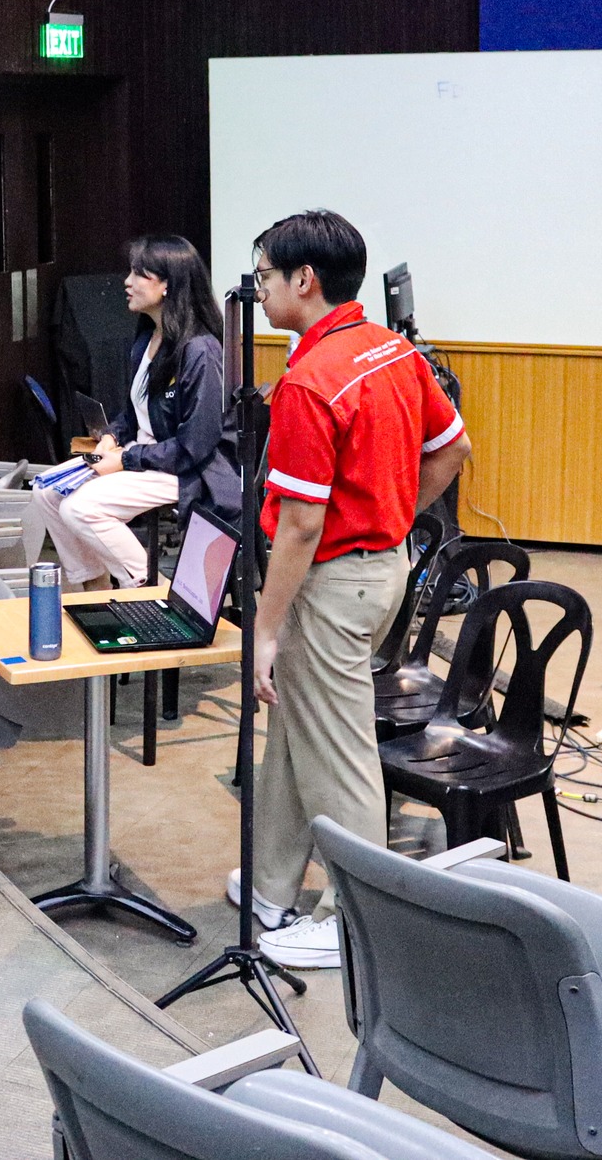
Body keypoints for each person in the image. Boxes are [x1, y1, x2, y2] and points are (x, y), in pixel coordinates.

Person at [241, 212, 469, 972]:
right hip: (381, 571)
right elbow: (454, 448)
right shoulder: (393, 352)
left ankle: (356, 922)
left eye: (267, 274)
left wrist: (264, 631)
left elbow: (302, 525)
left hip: (332, 584)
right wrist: (392, 519)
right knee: (298, 731)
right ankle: (272, 886)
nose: (261, 288)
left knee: (339, 758)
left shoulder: (309, 381)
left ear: (304, 281)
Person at [36, 236, 239, 589]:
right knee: (47, 493)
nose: (127, 282)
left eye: (138, 274)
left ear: (166, 286)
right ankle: (94, 587)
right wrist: (112, 436)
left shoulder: (200, 352)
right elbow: (133, 413)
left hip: (186, 469)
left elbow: (195, 446)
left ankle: (149, 588)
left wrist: (126, 461)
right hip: (146, 457)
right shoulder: (148, 338)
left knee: (80, 508)